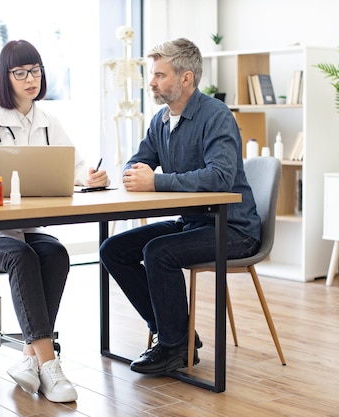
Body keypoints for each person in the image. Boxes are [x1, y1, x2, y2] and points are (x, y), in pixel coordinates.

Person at [0, 39, 109, 402]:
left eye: (35, 70)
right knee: (22, 256)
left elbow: (76, 166)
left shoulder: (48, 121)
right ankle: (50, 364)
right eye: (20, 72)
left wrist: (91, 178)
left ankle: (27, 357)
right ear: (4, 78)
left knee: (55, 253)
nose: (30, 78)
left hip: (24, 226)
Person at [99, 38, 261, 375]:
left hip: (233, 229)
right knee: (113, 249)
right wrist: (128, 174)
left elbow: (219, 177)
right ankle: (176, 332)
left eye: (160, 75)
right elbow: (137, 163)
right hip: (193, 223)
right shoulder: (160, 120)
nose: (152, 82)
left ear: (185, 79)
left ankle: (174, 347)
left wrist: (156, 182)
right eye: (152, 75)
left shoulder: (216, 116)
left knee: (159, 251)